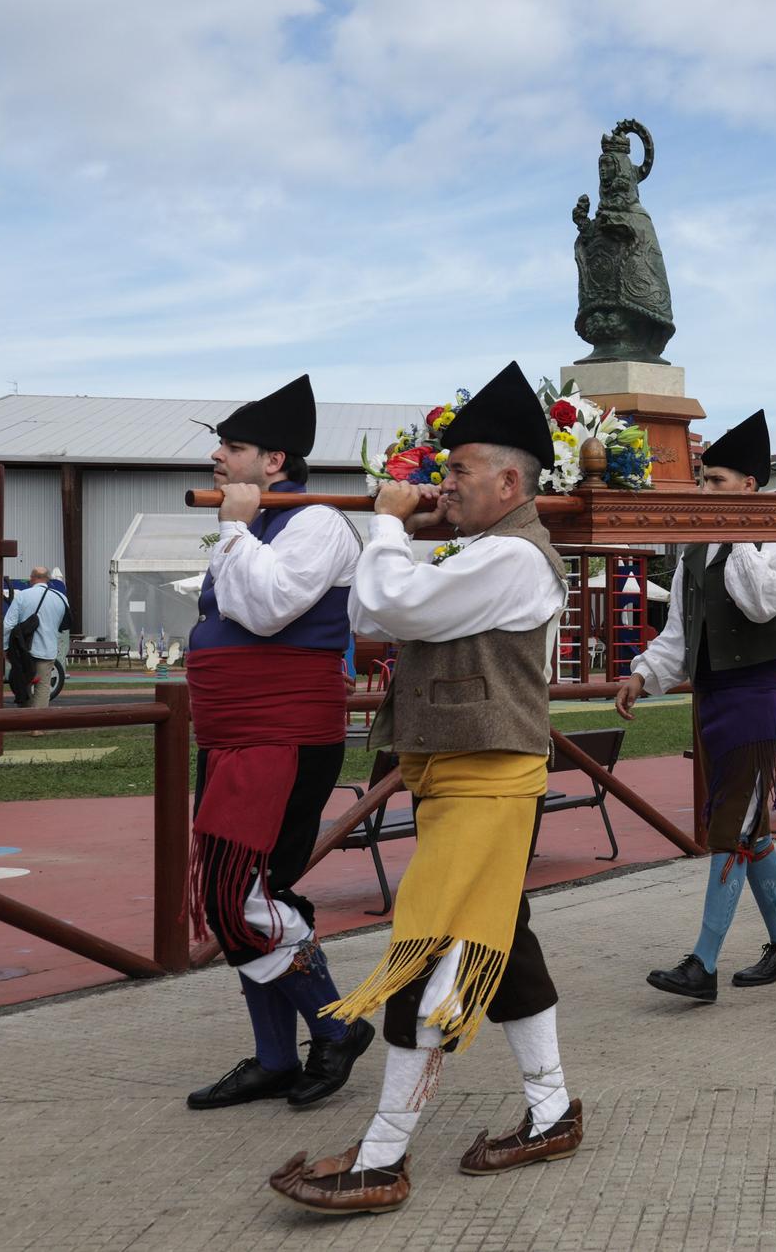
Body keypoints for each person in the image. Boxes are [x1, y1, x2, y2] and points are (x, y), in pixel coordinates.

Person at [271, 362, 578, 1215]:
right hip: (455, 775)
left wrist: (386, 521)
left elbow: (396, 605)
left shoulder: (516, 556)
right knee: (500, 944)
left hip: (488, 780)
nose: (444, 483)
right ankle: (551, 1110)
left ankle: (381, 1157)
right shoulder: (477, 549)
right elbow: (373, 613)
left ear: (509, 481)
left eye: (459, 471)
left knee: (430, 957)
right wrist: (401, 533)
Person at [182, 376, 373, 1116]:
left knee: (243, 896)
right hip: (235, 732)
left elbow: (263, 613)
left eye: (231, 446)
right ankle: (273, 1059)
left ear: (275, 459)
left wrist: (232, 527)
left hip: (284, 734)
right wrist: (239, 526)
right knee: (237, 896)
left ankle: (336, 1026)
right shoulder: (262, 520)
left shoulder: (317, 521)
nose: (216, 457)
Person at [614, 411, 776, 1004]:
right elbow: (679, 631)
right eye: (704, 481)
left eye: (718, 481)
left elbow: (759, 604)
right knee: (750, 825)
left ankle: (703, 963)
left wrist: (737, 531)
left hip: (756, 694)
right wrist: (643, 674)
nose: (706, 492)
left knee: (729, 827)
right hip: (714, 697)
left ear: (750, 486)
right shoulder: (695, 547)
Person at [2, 568, 69, 723]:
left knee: (21, 682)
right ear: (48, 579)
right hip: (48, 648)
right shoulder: (61, 597)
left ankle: (25, 719)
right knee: (43, 686)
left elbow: (8, 624)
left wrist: (5, 647)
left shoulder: (22, 596)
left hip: (22, 649)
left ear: (32, 578)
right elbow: (64, 624)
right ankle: (37, 725)